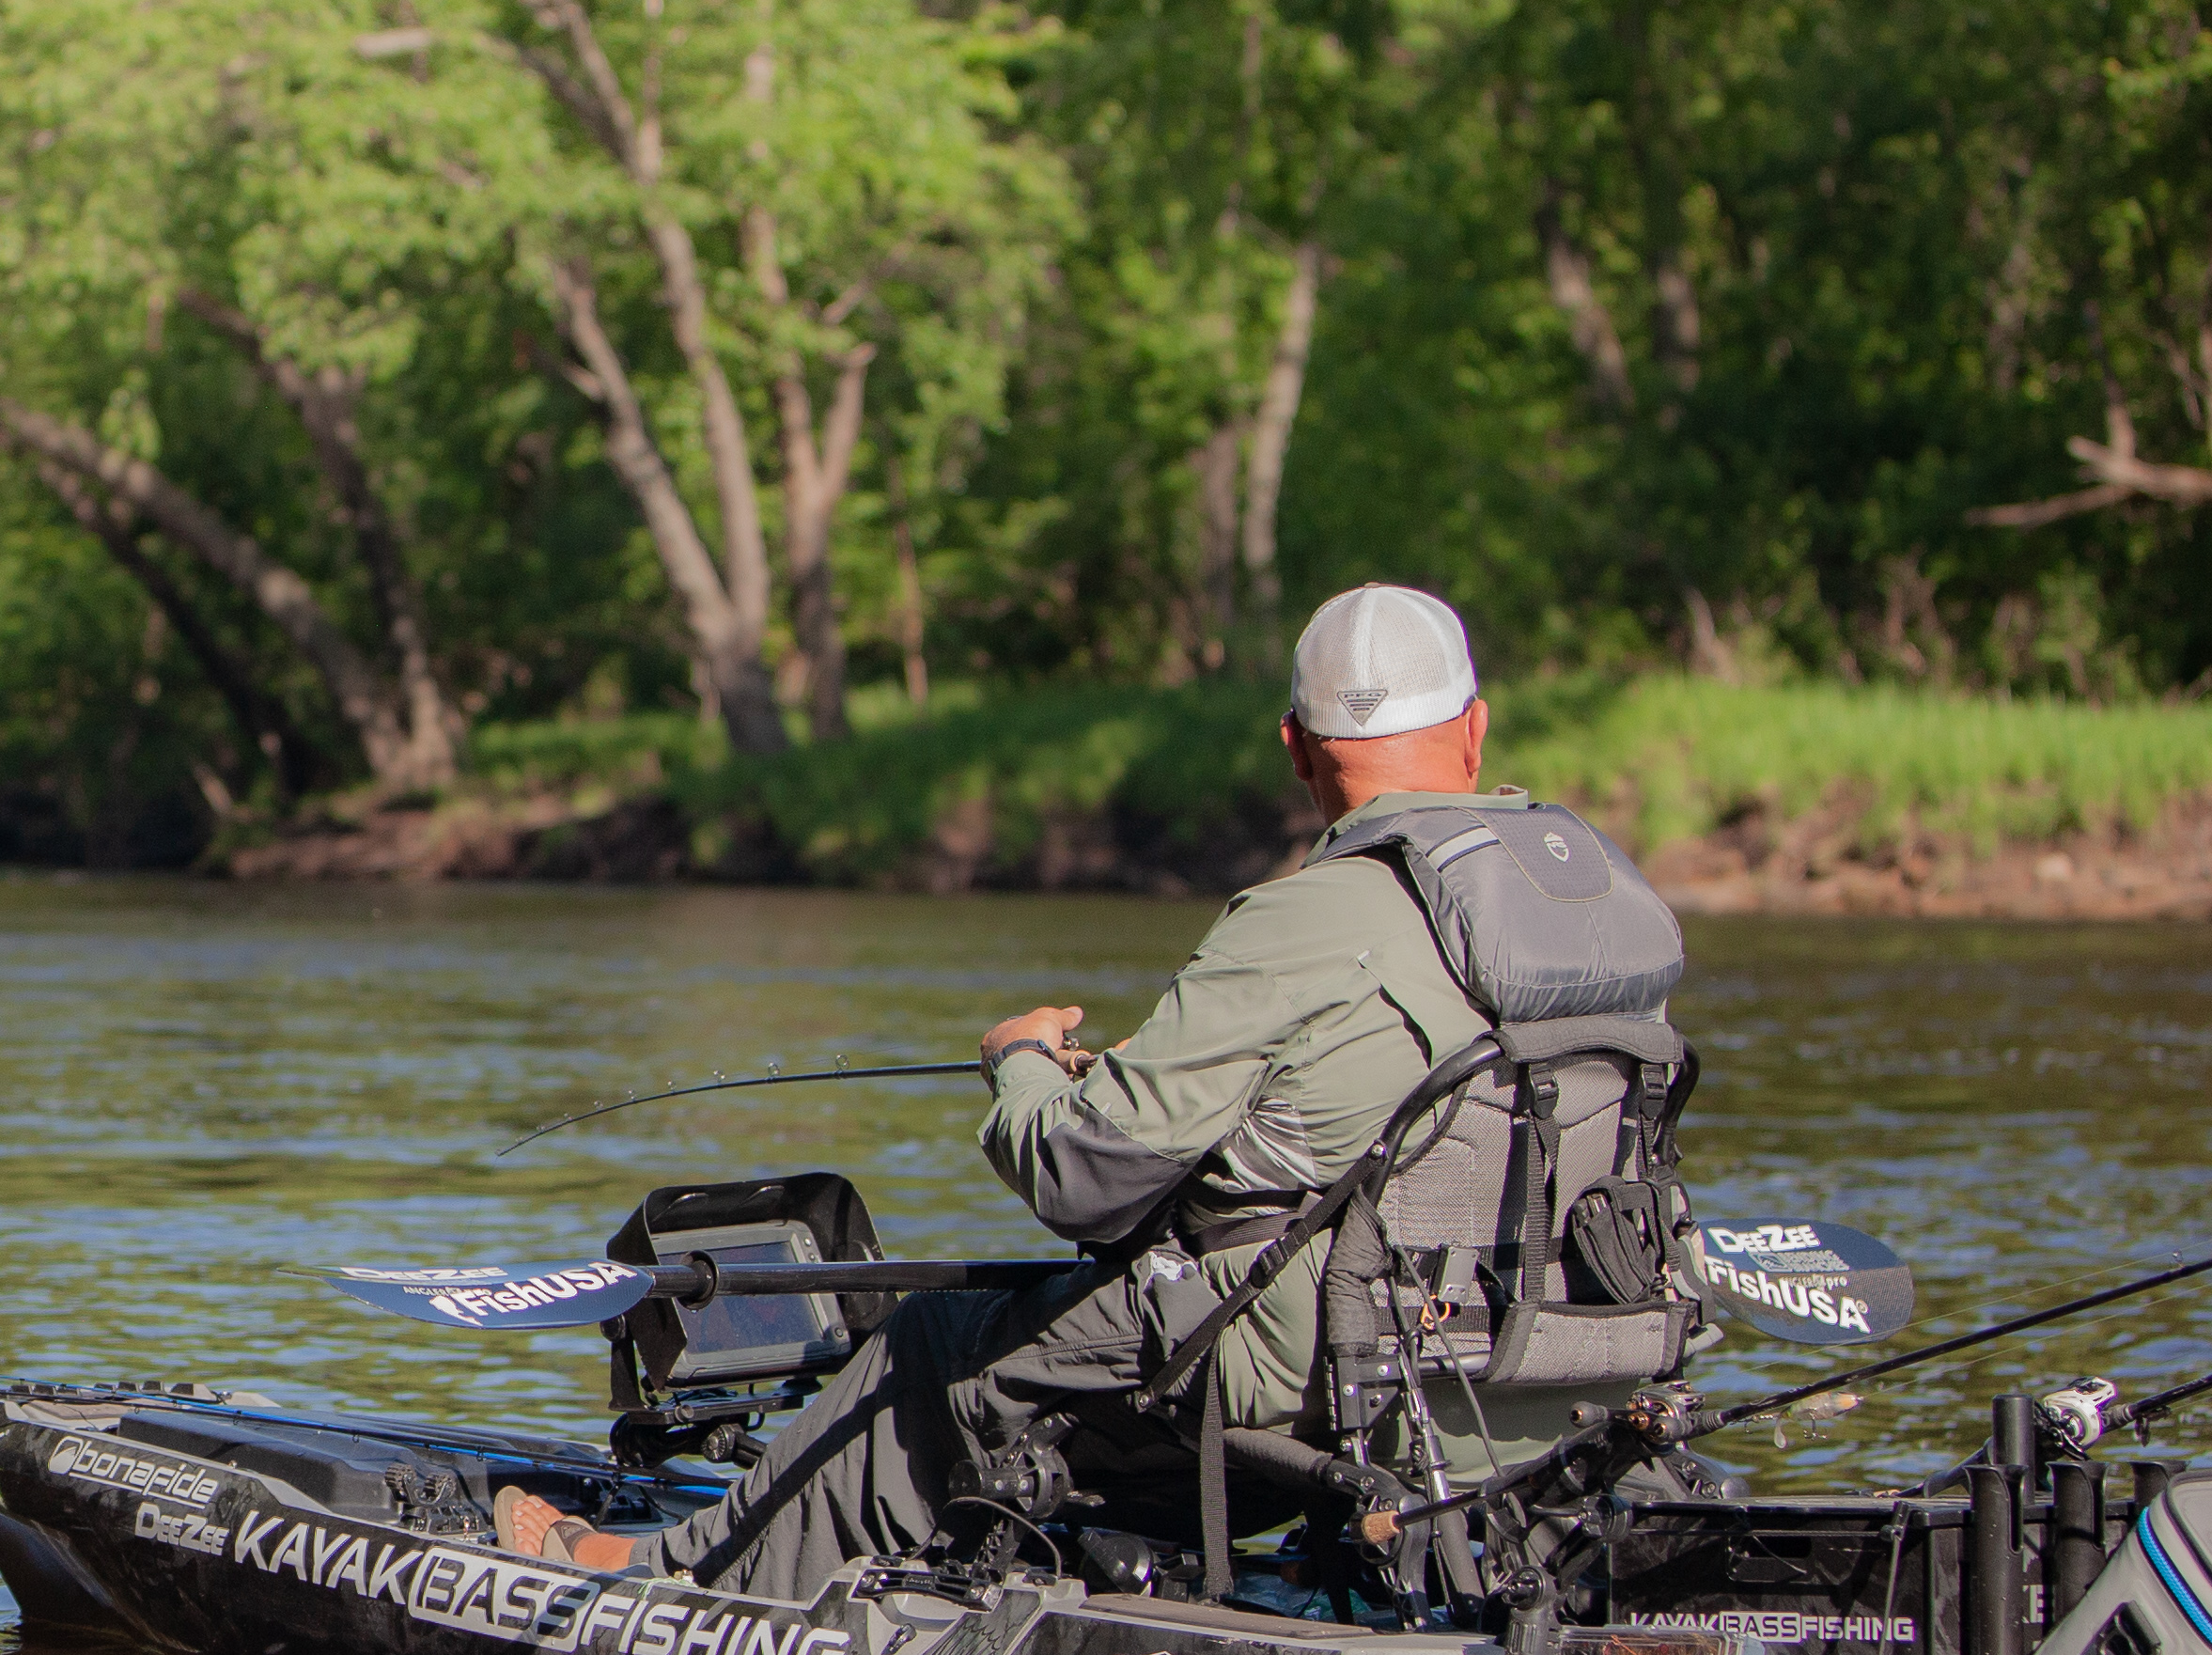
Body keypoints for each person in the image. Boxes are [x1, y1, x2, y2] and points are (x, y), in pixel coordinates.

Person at [498, 581, 1675, 1602]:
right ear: (1476, 728)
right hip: (1552, 1355)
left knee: (934, 1350)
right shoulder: (1606, 903)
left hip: (1320, 1370)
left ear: (1297, 748)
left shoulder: (1308, 917)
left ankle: (663, 1582)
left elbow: (1084, 1176)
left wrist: (1017, 1064)